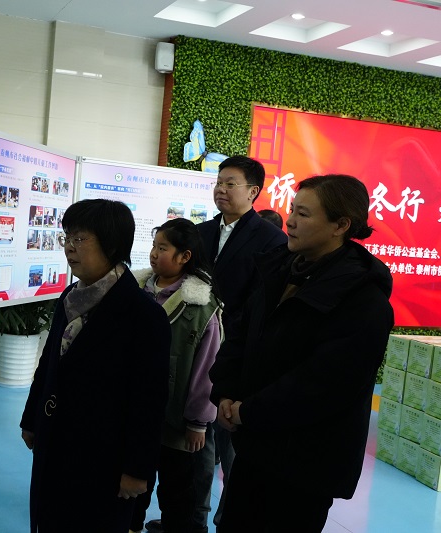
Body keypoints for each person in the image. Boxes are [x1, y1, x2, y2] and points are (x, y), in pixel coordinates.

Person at [209, 175, 394, 532]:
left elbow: (325, 384)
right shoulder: (278, 269)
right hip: (254, 444)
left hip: (305, 462)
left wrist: (249, 411)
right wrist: (226, 392)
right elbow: (240, 336)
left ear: (341, 225)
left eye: (304, 214)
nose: (290, 221)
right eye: (292, 210)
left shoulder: (363, 299)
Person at [20, 199, 170, 533]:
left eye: (80, 239)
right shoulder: (70, 296)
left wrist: (137, 469)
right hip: (55, 442)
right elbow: (49, 364)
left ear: (112, 245)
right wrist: (32, 419)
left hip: (104, 457)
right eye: (67, 238)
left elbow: (149, 400)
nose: (69, 248)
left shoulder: (143, 315)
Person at [193, 155, 286, 529]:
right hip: (195, 350)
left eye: (230, 183)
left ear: (253, 191)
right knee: (196, 439)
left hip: (235, 355)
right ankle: (193, 517)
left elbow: (261, 304)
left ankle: (228, 520)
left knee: (230, 442)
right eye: (218, 182)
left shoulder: (272, 240)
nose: (221, 189)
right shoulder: (199, 233)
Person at [131, 218, 223, 533]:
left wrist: (198, 422)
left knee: (177, 492)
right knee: (132, 487)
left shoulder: (201, 307)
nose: (154, 254)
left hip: (178, 422)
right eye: (153, 246)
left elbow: (206, 370)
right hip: (136, 414)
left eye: (163, 248)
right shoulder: (136, 290)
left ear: (185, 256)